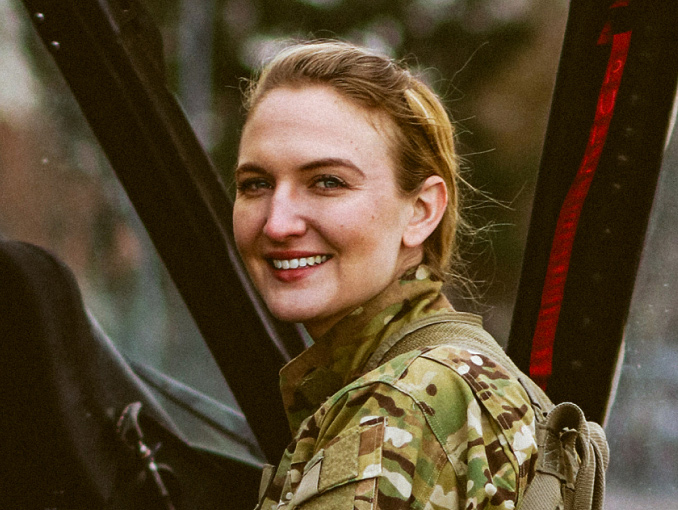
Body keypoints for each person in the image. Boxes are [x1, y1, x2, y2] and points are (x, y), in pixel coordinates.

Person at [232, 40, 538, 510]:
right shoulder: (439, 374)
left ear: (421, 210)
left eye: (327, 182)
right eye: (256, 184)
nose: (277, 223)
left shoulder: (410, 401)